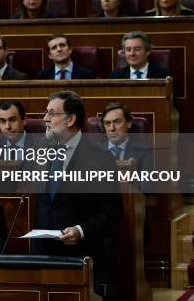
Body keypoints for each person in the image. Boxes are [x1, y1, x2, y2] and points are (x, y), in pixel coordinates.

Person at [36, 90, 121, 300]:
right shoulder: (40, 148)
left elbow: (112, 210)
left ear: (71, 119)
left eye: (52, 113)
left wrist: (80, 230)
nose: (45, 119)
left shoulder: (99, 156)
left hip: (81, 254)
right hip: (43, 253)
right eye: (46, 113)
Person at [100, 102, 153, 173]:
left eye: (117, 122)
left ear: (129, 123)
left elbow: (146, 183)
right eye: (107, 123)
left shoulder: (144, 152)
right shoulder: (94, 153)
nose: (112, 128)